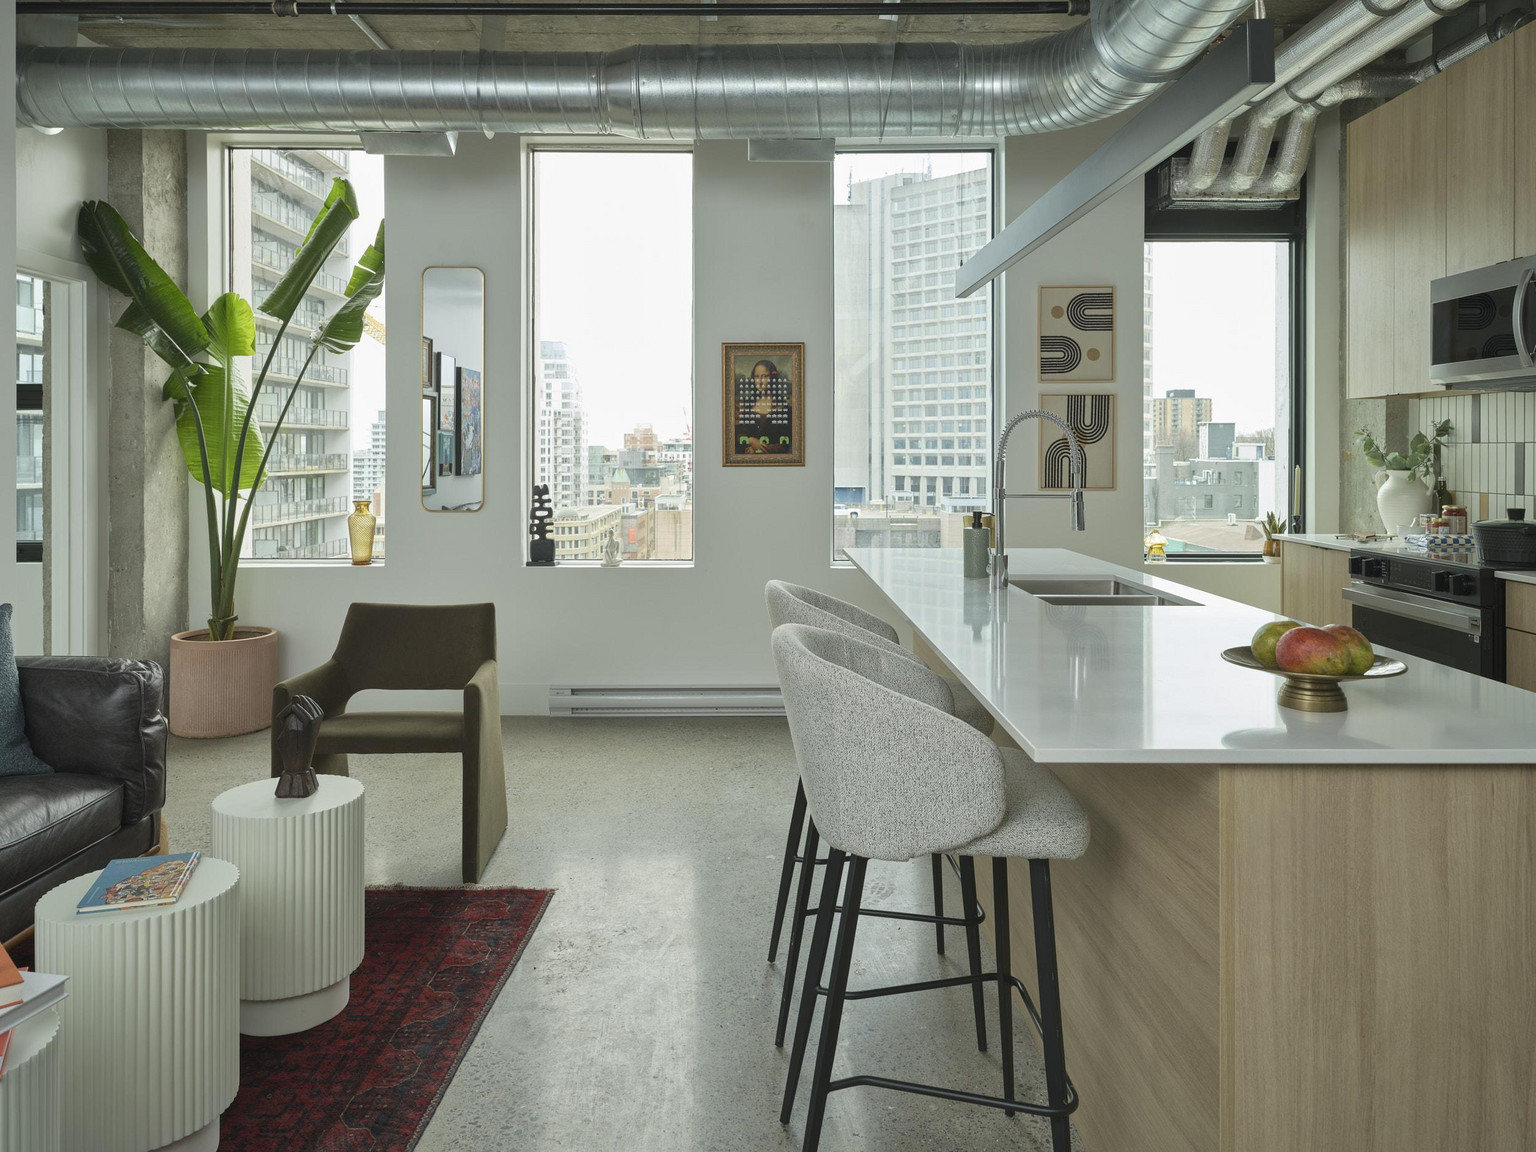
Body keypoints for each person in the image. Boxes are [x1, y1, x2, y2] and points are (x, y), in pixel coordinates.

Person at [735, 358, 793, 455]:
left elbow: (784, 443)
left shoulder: (782, 407)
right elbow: (740, 434)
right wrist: (750, 441)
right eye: (757, 377)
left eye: (764, 376)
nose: (760, 381)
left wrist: (759, 449)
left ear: (773, 378)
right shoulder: (749, 405)